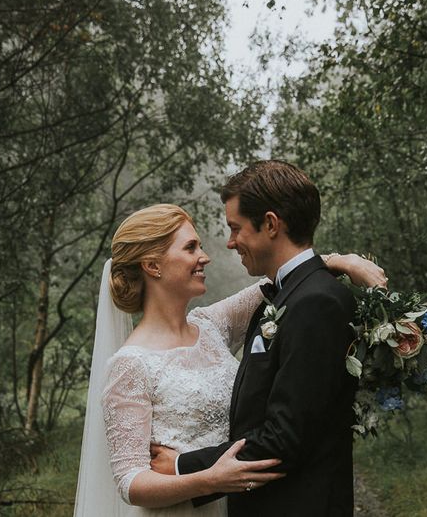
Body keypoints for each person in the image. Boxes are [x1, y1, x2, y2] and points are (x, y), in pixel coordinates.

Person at [74, 200, 386, 516]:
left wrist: (342, 261)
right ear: (153, 266)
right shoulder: (130, 364)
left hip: (243, 504)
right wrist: (209, 480)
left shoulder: (211, 325)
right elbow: (130, 482)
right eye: (191, 248)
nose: (204, 257)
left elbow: (286, 281)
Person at [151, 161, 368, 516]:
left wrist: (183, 468)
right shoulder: (286, 295)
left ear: (270, 224)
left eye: (236, 228)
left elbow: (285, 438)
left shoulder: (316, 302)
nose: (230, 242)